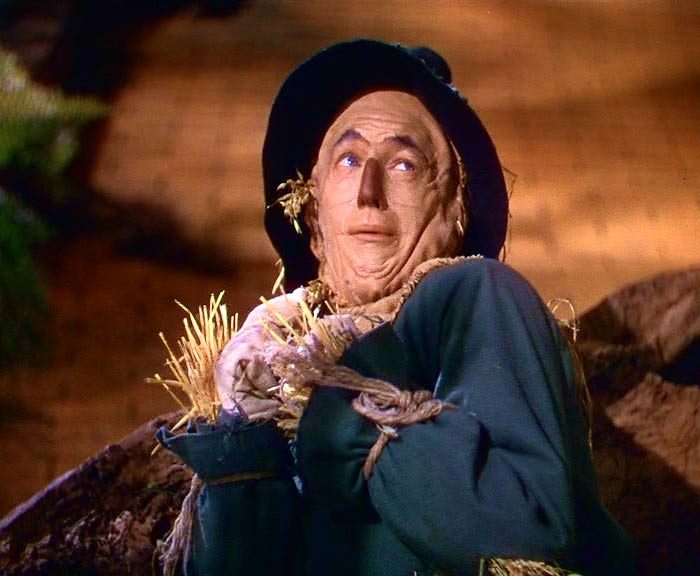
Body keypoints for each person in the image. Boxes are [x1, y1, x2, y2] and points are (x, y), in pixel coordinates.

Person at [157, 39, 634, 575]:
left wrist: (349, 406)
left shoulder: (477, 298)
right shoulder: (276, 352)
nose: (369, 190)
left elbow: (534, 529)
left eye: (405, 165)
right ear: (311, 214)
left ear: (455, 212)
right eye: (349, 159)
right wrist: (241, 444)